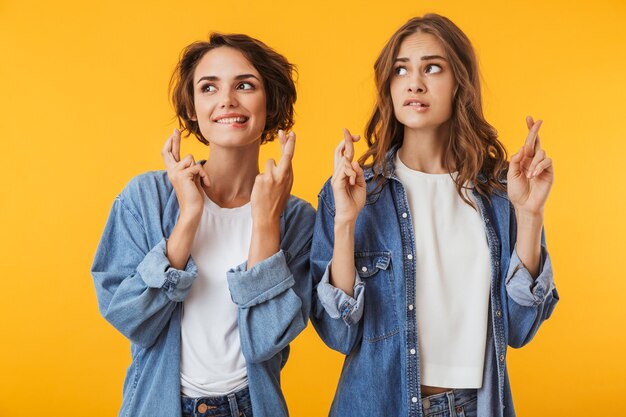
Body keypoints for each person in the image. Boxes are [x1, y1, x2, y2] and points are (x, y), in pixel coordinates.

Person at [310, 14, 558, 417]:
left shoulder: (498, 193)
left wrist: (529, 214)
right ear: (388, 86)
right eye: (401, 70)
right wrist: (345, 222)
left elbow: (519, 329)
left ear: (460, 81)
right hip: (377, 406)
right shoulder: (355, 190)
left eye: (433, 68)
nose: (415, 83)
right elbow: (338, 333)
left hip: (474, 407)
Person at [91, 33, 315, 417]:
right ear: (192, 108)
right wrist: (189, 217)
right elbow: (132, 320)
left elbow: (266, 342)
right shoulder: (146, 198)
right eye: (208, 87)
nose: (227, 100)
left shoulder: (295, 219)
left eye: (244, 85)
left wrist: (265, 223)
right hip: (158, 406)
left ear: (270, 103)